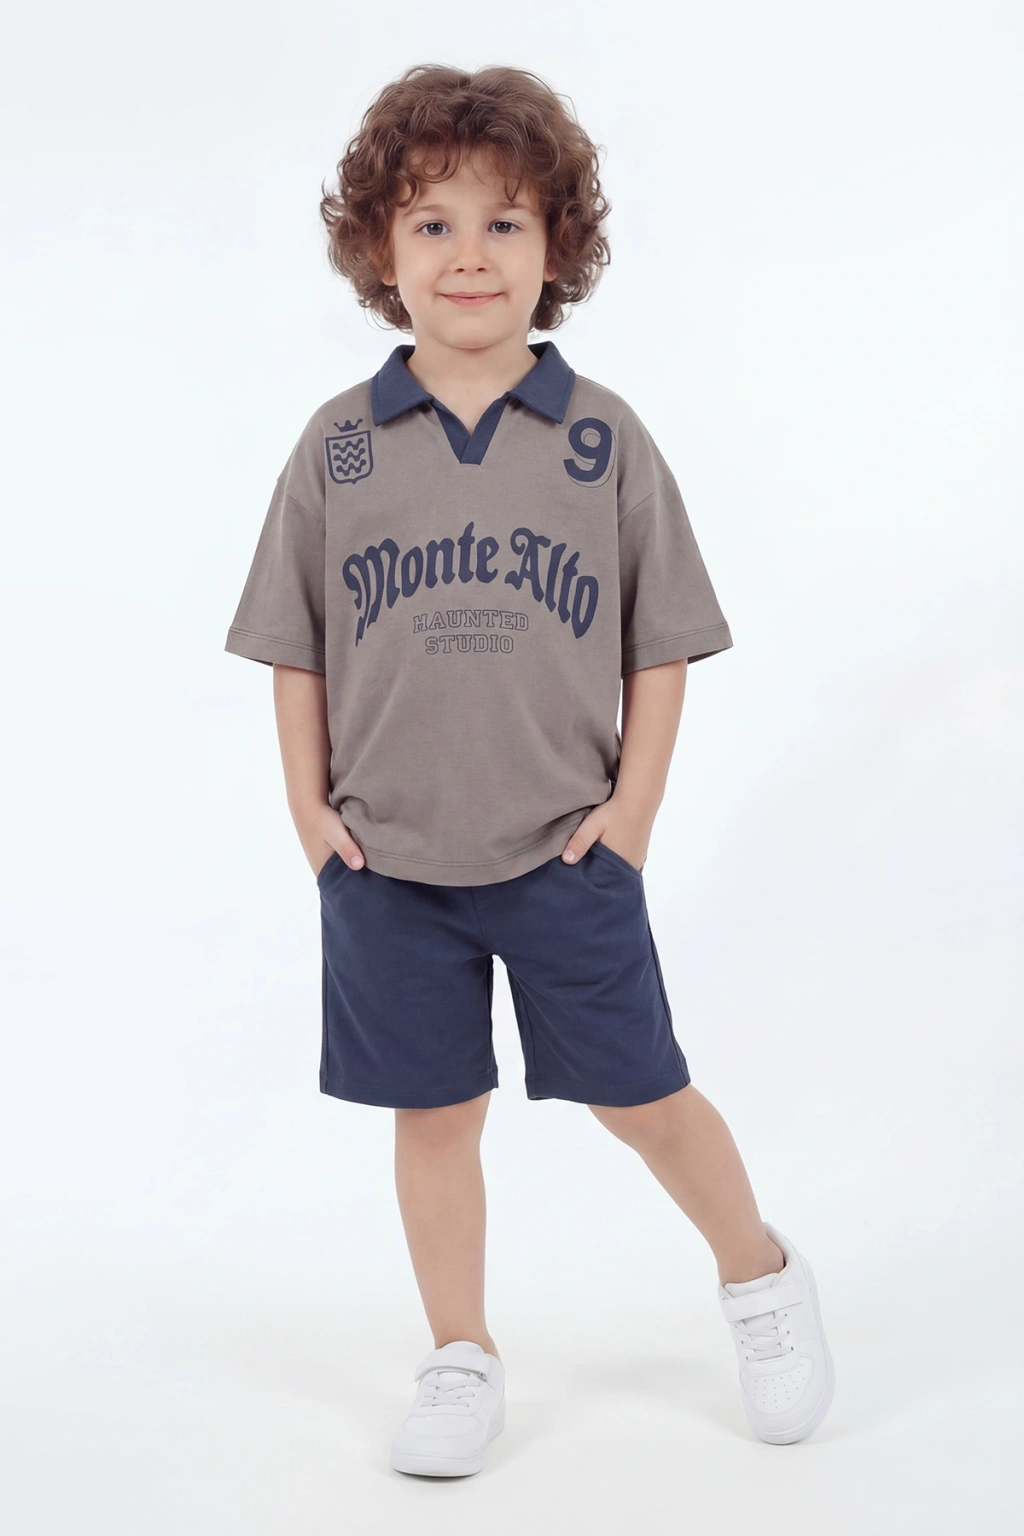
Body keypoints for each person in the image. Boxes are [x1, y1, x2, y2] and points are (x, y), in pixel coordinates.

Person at [223, 62, 835, 1477]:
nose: (469, 255)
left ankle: (760, 1276)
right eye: (431, 223)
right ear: (380, 250)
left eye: (504, 222)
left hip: (565, 848)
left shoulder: (601, 438)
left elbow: (662, 642)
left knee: (641, 1095)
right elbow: (294, 646)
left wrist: (632, 814)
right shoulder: (338, 447)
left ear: (557, 245)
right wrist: (310, 815)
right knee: (435, 1114)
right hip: (387, 861)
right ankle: (461, 1352)